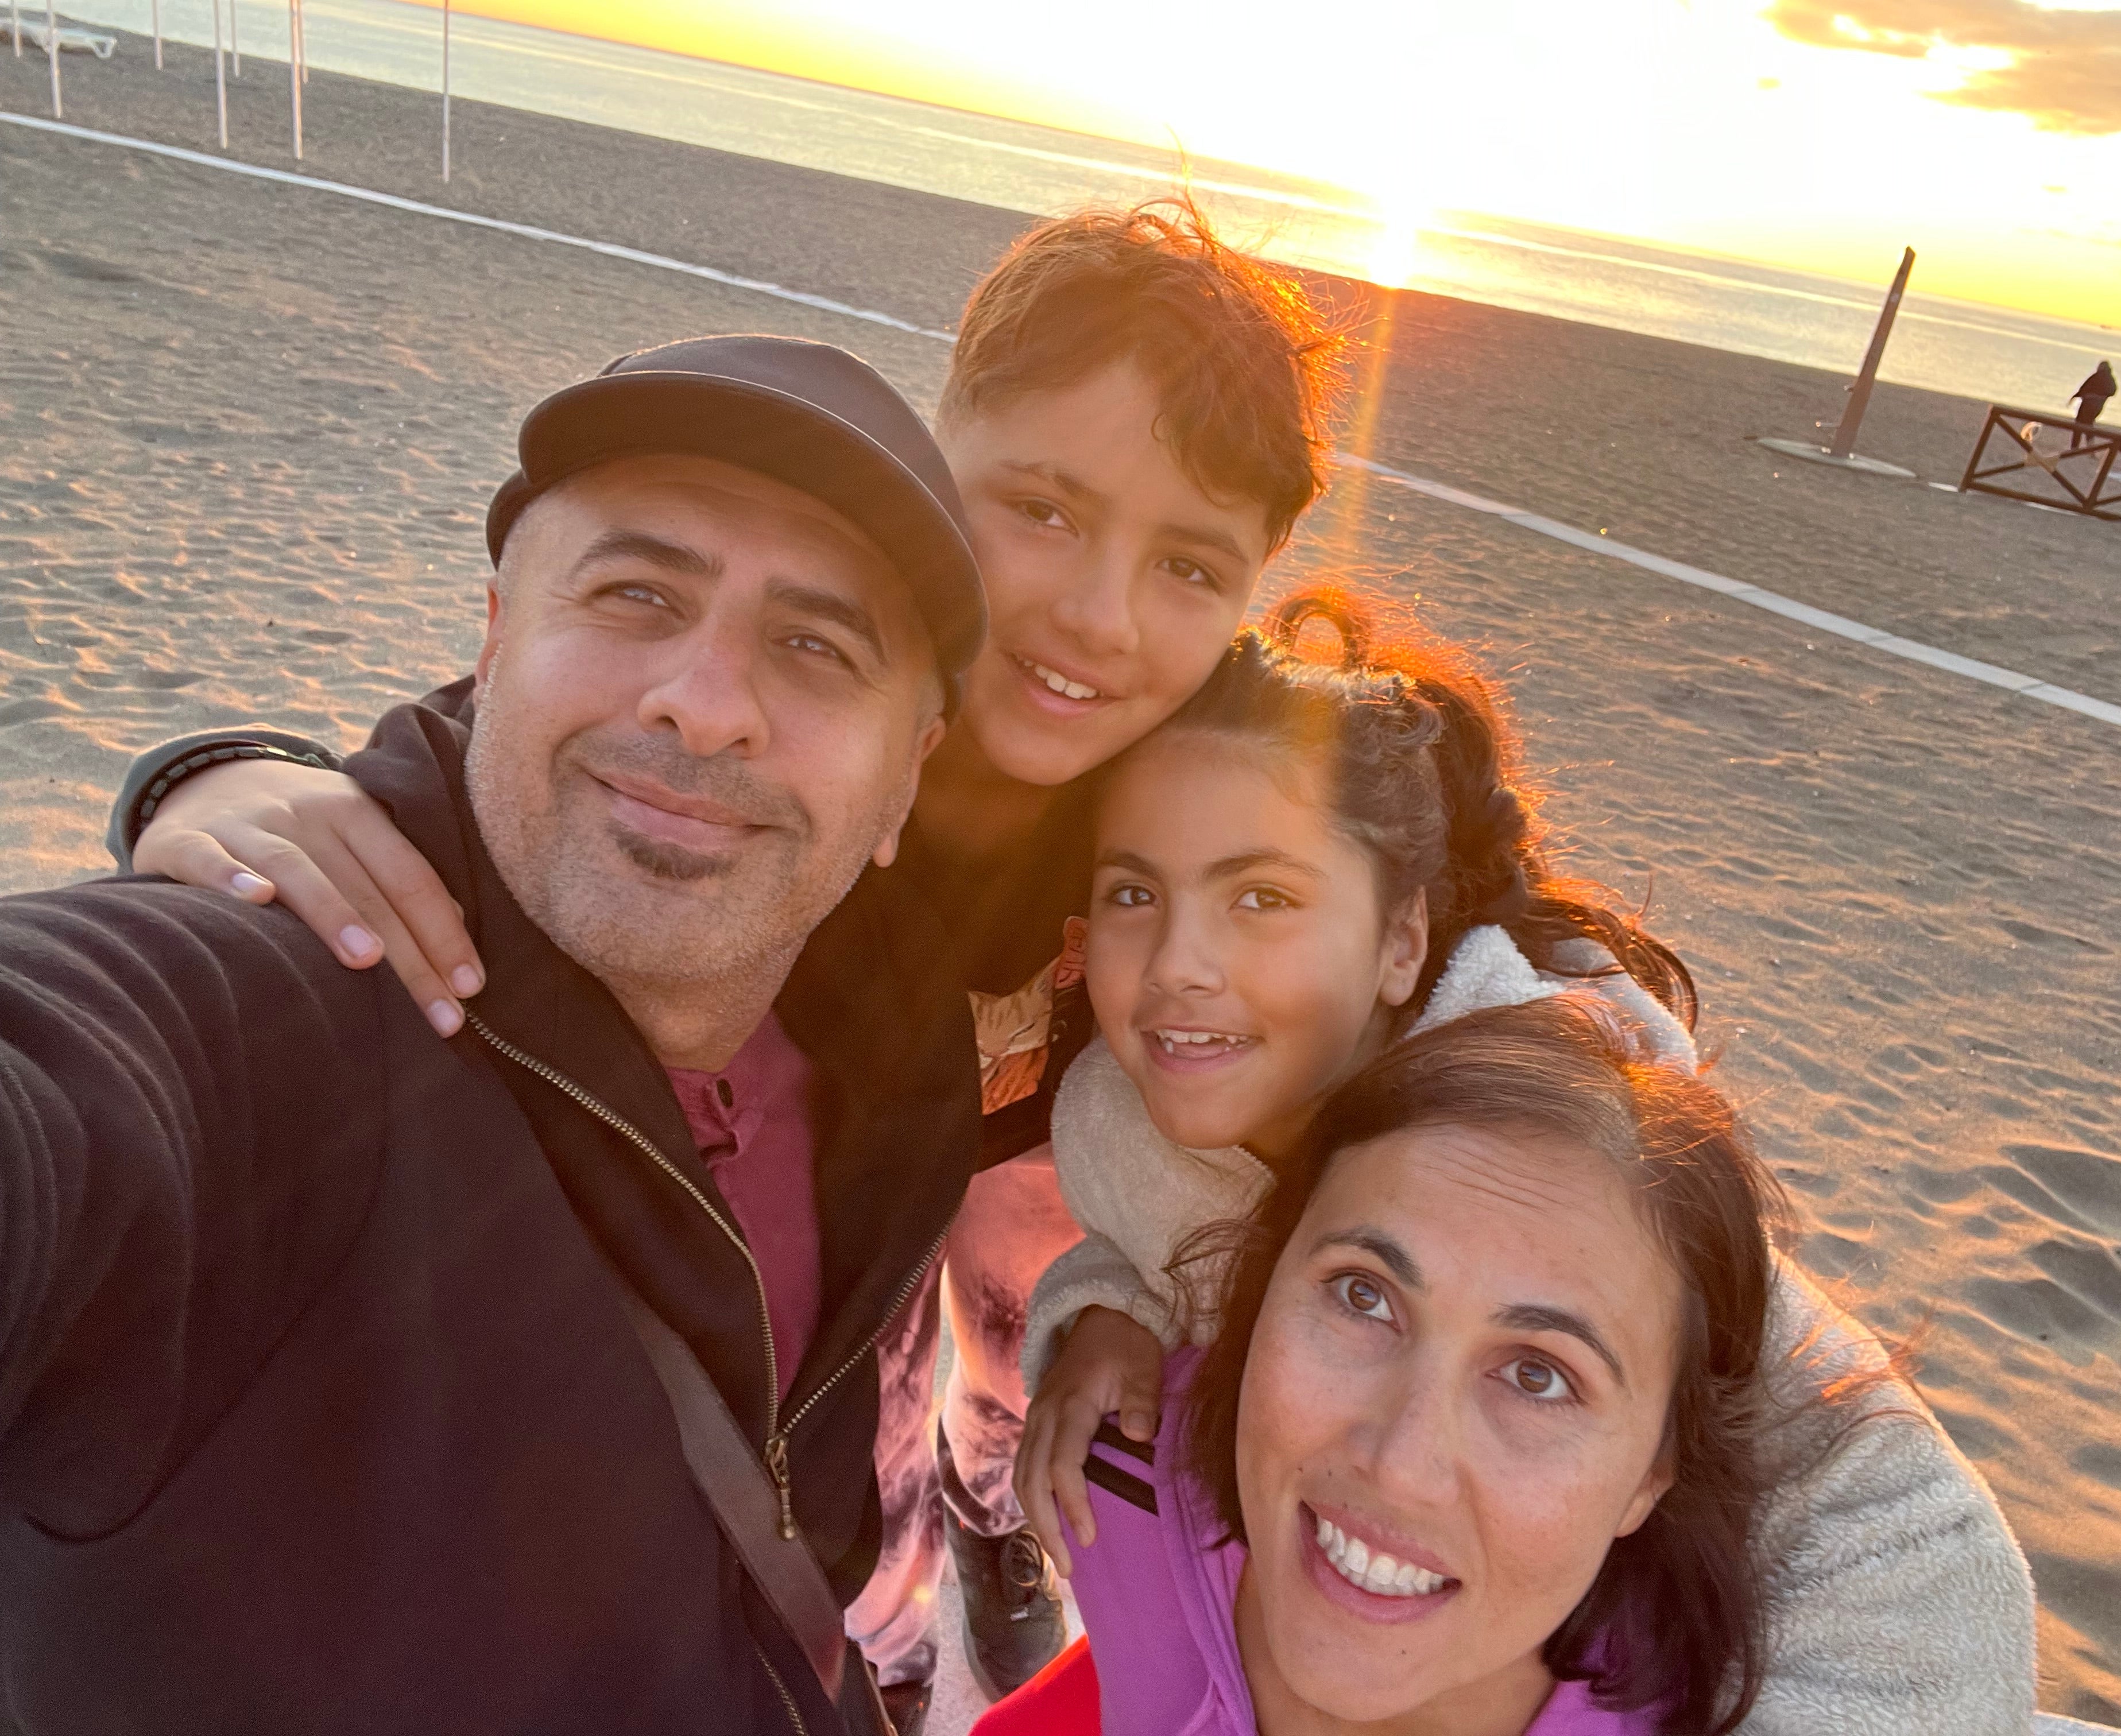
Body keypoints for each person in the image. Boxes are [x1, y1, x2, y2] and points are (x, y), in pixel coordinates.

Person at [100, 200, 1345, 1719]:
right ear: (941, 459)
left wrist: (1545, 990)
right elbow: (495, 754)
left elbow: (1401, 857)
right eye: (1044, 509)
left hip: (987, 1280)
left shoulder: (1188, 783)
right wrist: (221, 777)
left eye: (1192, 570)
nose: (1099, 616)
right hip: (794, 1291)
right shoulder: (774, 750)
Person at [0, 335, 988, 1734]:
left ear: (908, 780)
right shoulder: (274, 1024)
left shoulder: (895, 1090)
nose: (704, 703)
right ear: (491, 638)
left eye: (817, 648)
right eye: (638, 592)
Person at [1004, 593, 2037, 1732]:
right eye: (1134, 893)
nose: (1181, 964)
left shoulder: (1582, 1165)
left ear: (1403, 939)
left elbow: (1921, 1539)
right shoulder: (1123, 1113)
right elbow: (1147, 1239)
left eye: (1264, 896)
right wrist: (1106, 1309)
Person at [994, 995, 1789, 1736]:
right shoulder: (1111, 1475)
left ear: (1653, 1474)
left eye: (1537, 1376)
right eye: (1363, 1297)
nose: (1400, 1467)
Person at [2068, 360, 2116, 450]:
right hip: (2096, 407)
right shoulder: (2110, 379)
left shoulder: (2098, 377)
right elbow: (2113, 391)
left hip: (2088, 405)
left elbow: (2084, 389)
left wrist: (2093, 396)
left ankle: (2075, 448)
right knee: (2088, 424)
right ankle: (2089, 448)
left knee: (2080, 424)